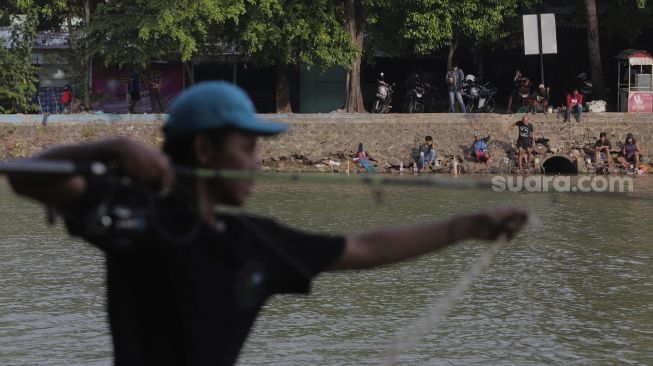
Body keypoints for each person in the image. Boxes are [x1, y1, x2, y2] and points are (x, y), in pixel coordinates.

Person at [7, 81, 528, 366]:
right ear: (206, 150)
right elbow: (25, 176)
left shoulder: (253, 242)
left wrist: (466, 226)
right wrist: (114, 146)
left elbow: (362, 247)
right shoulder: (133, 215)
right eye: (247, 148)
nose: (257, 163)